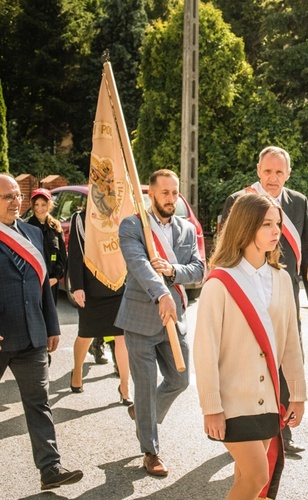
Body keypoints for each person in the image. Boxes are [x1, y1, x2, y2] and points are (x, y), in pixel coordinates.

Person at [195, 193, 306, 499]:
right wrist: (211, 408)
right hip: (232, 403)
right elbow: (205, 352)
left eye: (278, 223)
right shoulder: (219, 282)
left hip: (269, 402)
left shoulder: (283, 279)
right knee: (258, 475)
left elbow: (291, 345)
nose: (276, 230)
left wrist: (297, 395)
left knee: (246, 477)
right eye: (267, 224)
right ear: (245, 227)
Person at [222, 145, 308, 458]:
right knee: (248, 361)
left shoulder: (298, 202)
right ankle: (242, 429)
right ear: (258, 171)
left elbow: (305, 248)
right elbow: (228, 249)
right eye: (267, 171)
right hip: (249, 293)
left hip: (286, 294)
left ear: (288, 173)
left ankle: (283, 432)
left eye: (279, 171)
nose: (273, 177)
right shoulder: (240, 201)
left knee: (289, 359)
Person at [115, 169, 204, 476]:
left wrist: (172, 270)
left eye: (175, 193)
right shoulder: (132, 225)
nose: (170, 199)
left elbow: (199, 270)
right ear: (150, 194)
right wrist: (160, 292)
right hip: (141, 318)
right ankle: (150, 451)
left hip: (174, 318)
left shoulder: (187, 229)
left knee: (180, 380)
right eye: (164, 193)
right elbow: (139, 265)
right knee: (144, 385)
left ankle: (142, 412)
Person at [0, 173, 83, 490]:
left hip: (32, 337)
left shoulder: (33, 234)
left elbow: (43, 286)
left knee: (39, 404)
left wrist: (51, 325)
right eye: (7, 197)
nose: (15, 201)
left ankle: (50, 469)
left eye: (16, 196)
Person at [67, 209, 131, 404]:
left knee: (122, 338)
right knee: (86, 334)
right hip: (91, 287)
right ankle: (77, 370)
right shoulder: (80, 217)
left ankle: (125, 386)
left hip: (119, 286)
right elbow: (75, 254)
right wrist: (77, 287)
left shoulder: (122, 212)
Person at [25, 188, 66, 304]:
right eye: (36, 204)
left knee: (50, 318)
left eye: (43, 204)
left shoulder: (56, 227)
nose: (39, 208)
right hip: (33, 283)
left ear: (49, 205)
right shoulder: (25, 226)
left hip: (51, 282)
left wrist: (56, 277)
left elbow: (62, 256)